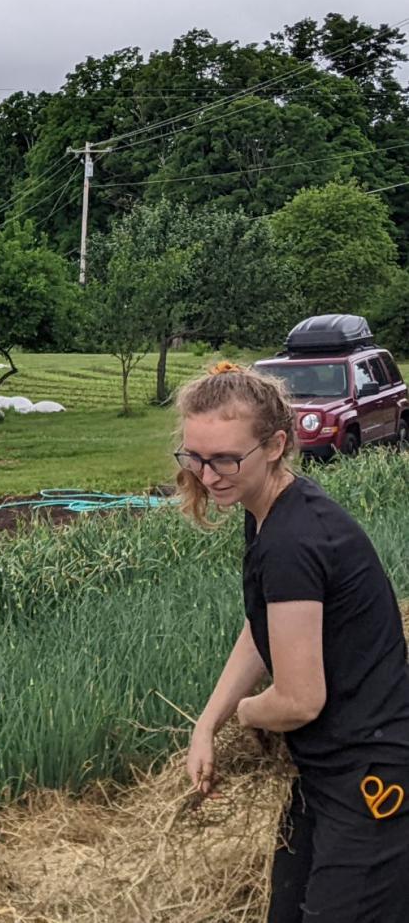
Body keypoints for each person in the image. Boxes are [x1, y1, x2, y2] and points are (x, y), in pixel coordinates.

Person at [177, 363, 409, 921]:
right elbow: (264, 632)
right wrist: (207, 721)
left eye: (226, 459)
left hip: (372, 776)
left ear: (276, 444)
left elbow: (300, 701)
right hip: (326, 772)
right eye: (195, 458)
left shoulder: (293, 541)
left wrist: (247, 716)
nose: (209, 477)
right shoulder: (271, 513)